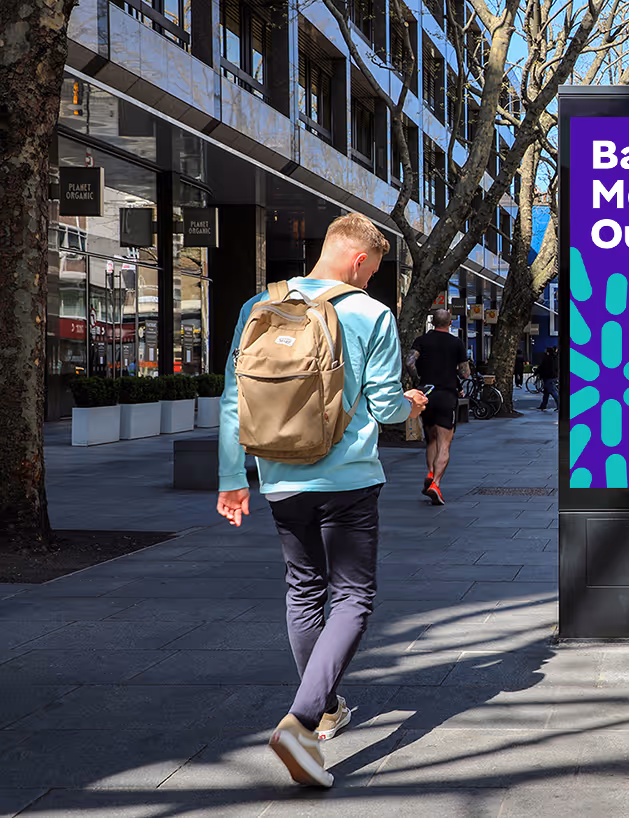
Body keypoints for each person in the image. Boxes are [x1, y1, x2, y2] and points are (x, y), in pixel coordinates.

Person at [216, 213, 428, 788]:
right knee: (354, 595)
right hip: (348, 478)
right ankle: (302, 719)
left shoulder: (258, 305)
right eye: (376, 268)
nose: (373, 279)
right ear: (360, 259)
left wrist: (233, 477)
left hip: (279, 477)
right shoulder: (370, 313)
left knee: (304, 587)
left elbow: (235, 397)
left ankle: (326, 708)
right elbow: (385, 409)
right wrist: (411, 403)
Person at [411, 309, 470, 505]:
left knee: (431, 440)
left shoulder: (422, 340)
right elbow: (465, 373)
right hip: (446, 395)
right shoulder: (456, 343)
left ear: (433, 321)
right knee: (444, 443)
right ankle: (435, 483)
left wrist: (417, 380)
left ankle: (430, 472)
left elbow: (409, 361)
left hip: (426, 394)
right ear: (450, 323)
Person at [537, 346, 559, 410]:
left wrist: (537, 372)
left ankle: (559, 405)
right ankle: (543, 405)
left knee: (553, 392)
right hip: (554, 376)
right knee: (546, 393)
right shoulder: (555, 357)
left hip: (548, 377)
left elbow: (542, 367)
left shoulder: (547, 358)